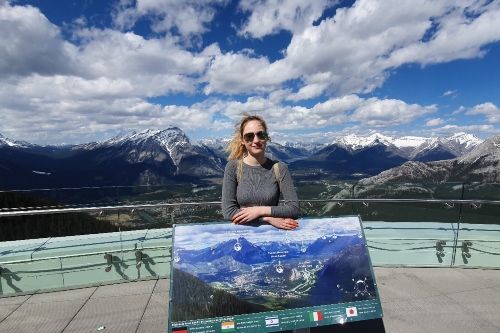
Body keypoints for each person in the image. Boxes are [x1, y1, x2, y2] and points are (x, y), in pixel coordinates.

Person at [221, 113, 300, 230]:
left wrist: (259, 211)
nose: (256, 140)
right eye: (249, 136)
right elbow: (228, 212)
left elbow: (294, 208)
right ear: (242, 140)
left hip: (270, 235)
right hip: (242, 234)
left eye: (261, 134)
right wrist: (266, 218)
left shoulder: (279, 167)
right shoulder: (233, 167)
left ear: (267, 137)